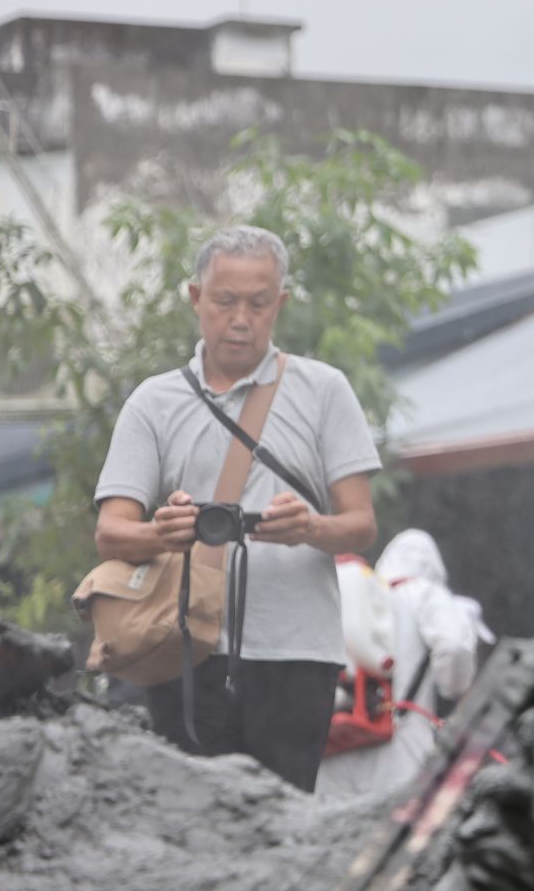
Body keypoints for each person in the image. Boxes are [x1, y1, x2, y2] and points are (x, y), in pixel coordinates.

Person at [92, 226, 381, 792]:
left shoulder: (325, 390)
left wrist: (308, 527)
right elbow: (110, 533)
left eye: (259, 302)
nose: (242, 319)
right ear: (197, 297)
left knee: (285, 827)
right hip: (183, 648)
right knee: (186, 825)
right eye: (225, 301)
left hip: (298, 651)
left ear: (282, 303)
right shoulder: (154, 401)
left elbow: (362, 526)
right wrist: (163, 532)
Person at [316, 529, 483, 799]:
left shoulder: (344, 597)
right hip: (400, 758)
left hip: (331, 760)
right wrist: (453, 688)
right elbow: (454, 646)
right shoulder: (425, 592)